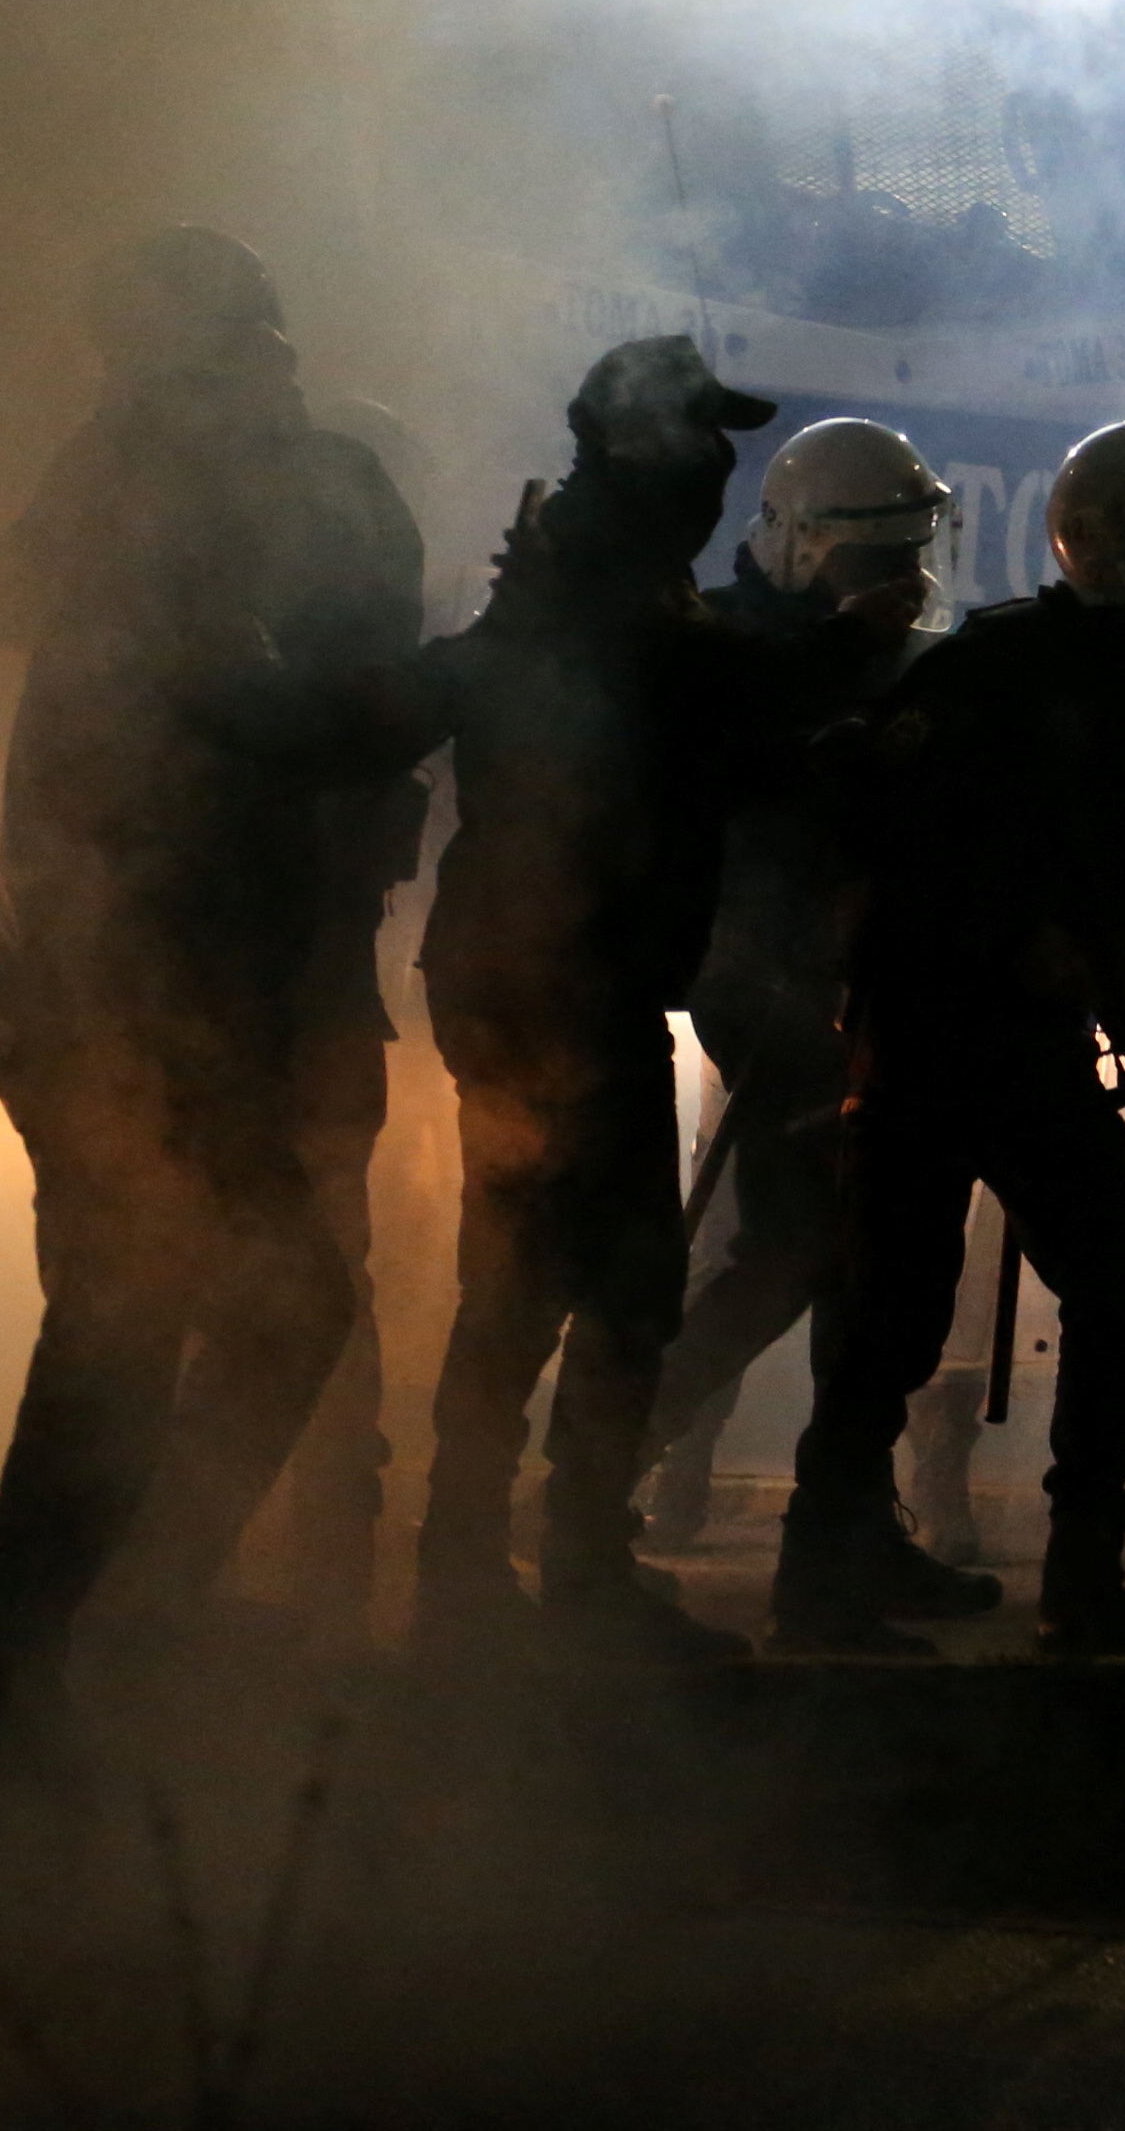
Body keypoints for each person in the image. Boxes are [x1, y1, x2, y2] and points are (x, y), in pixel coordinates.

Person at [0, 228, 430, 1734]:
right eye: (244, 355)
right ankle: (37, 1667)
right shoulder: (148, 536)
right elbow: (292, 726)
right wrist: (467, 675)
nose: (273, 382)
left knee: (183, 1327)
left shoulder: (159, 503)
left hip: (155, 1014)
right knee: (149, 1332)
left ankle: (78, 1647)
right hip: (123, 1019)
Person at [412, 336, 900, 1656]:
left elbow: (705, 750)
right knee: (578, 1282)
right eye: (701, 439)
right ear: (644, 448)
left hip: (563, 971)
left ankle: (515, 1564)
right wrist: (845, 651)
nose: (718, 468)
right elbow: (706, 706)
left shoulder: (603, 566)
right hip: (553, 979)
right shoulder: (597, 579)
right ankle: (535, 1574)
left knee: (559, 1280)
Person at [772, 418, 1125, 1660]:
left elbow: (1120, 855)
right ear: (1117, 545)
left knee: (1113, 1305)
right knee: (895, 1322)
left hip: (1028, 1043)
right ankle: (821, 1585)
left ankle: (1080, 1587)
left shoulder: (1115, 680)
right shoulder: (1000, 668)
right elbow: (882, 830)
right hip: (933, 1038)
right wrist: (1009, 940)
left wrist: (1124, 1021)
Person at [640, 418, 996, 1621]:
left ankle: (843, 1517)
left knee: (864, 1255)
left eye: (910, 551)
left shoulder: (870, 647)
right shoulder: (737, 646)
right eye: (875, 555)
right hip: (770, 980)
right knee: (798, 1244)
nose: (901, 578)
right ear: (802, 541)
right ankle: (622, 1451)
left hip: (864, 980)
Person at [282, 394, 437, 1638]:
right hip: (320, 1011)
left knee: (290, 1272)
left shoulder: (264, 687)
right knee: (327, 1272)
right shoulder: (368, 698)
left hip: (294, 1011)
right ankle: (331, 1533)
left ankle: (311, 1533)